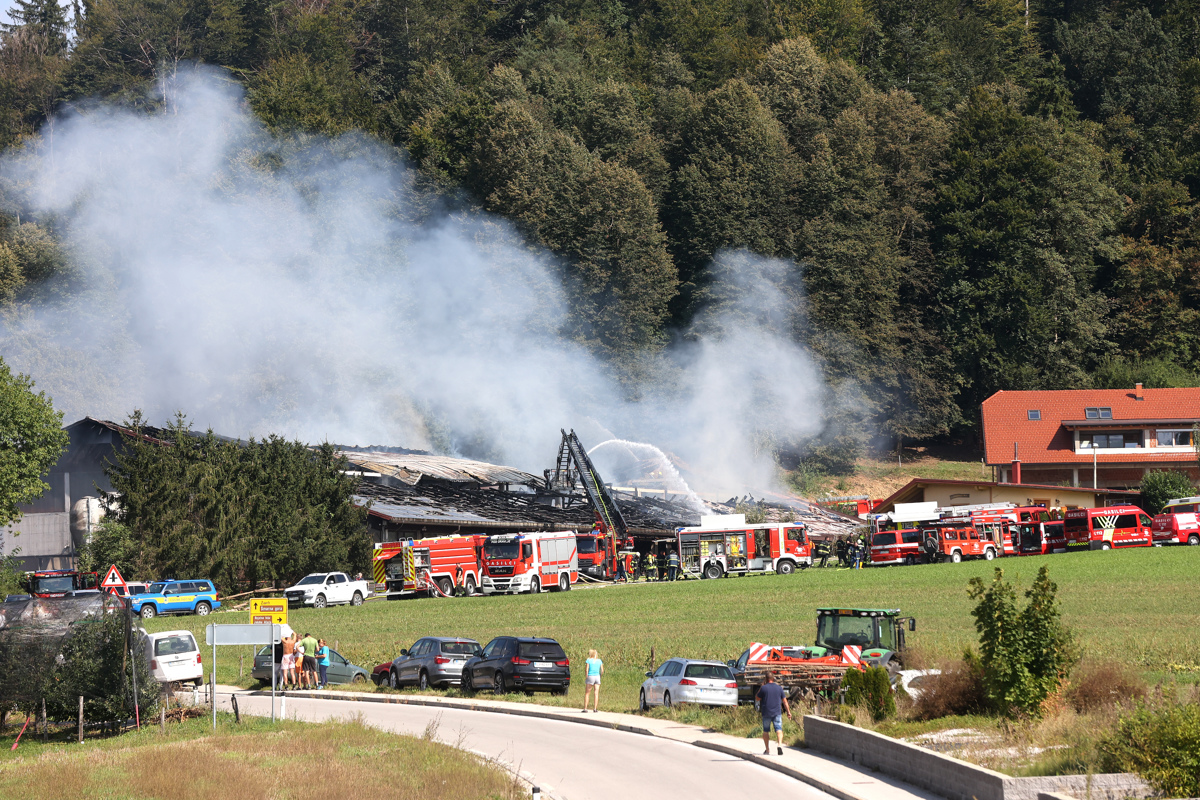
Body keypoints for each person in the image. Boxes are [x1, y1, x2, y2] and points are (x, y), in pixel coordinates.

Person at [756, 672, 793, 755]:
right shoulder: (779, 688)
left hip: (766, 712)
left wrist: (761, 686)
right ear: (773, 679)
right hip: (777, 712)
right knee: (779, 729)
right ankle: (779, 745)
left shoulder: (764, 688)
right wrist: (788, 712)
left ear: (766, 679)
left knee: (766, 731)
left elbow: (757, 698)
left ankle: (767, 749)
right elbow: (785, 701)